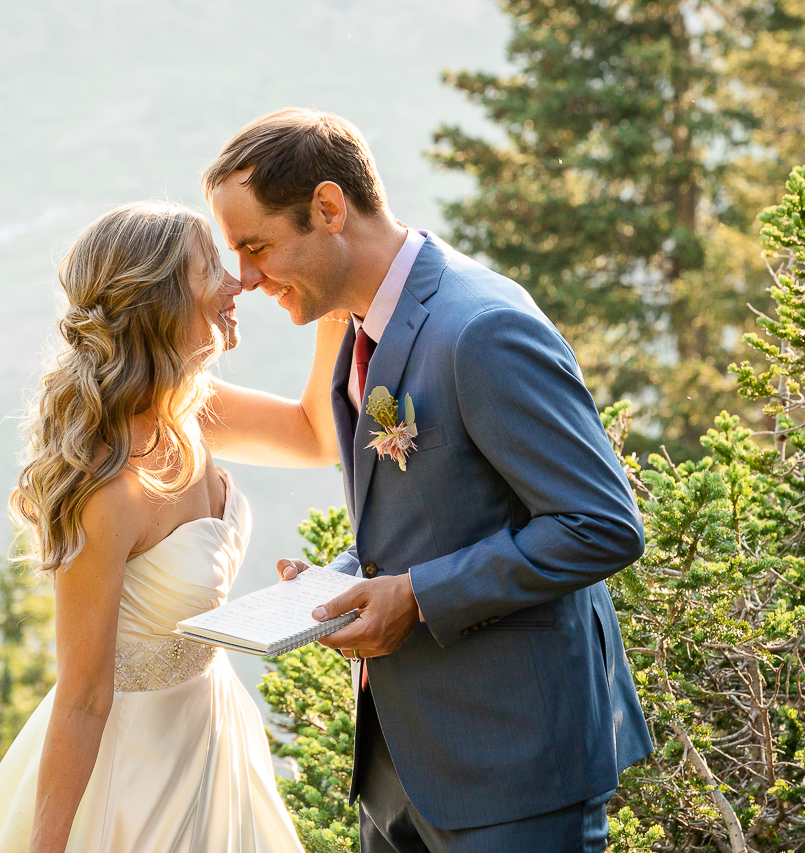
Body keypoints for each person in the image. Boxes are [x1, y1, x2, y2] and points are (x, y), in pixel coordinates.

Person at [204, 109, 653, 853]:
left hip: (513, 770)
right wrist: (341, 581)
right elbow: (433, 510)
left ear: (327, 207)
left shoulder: (481, 328)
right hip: (398, 768)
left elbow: (600, 523)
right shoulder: (357, 327)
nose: (245, 278)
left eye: (256, 246)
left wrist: (414, 596)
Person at [0, 201, 348, 853]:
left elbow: (314, 436)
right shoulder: (106, 488)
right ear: (161, 300)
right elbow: (81, 700)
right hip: (131, 772)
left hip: (215, 730)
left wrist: (335, 296)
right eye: (210, 269)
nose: (238, 283)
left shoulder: (193, 409)